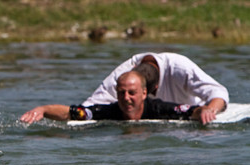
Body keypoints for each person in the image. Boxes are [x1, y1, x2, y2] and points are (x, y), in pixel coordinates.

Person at [83, 53, 228, 124]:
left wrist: (209, 110)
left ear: (150, 91)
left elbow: (218, 92)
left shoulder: (180, 68)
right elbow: (91, 104)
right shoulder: (124, 76)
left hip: (182, 117)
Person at [20, 71, 202, 123]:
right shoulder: (110, 111)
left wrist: (204, 111)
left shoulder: (158, 109)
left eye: (132, 93)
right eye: (121, 93)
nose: (126, 98)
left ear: (144, 93)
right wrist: (43, 110)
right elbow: (75, 112)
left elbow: (190, 111)